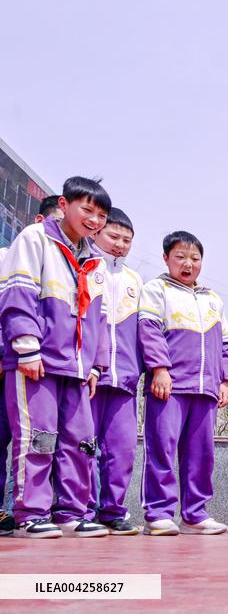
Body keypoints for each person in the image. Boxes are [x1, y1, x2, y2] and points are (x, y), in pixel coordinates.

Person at [0, 177, 112, 538]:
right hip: (39, 361)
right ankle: (31, 512)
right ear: (64, 205)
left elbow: (100, 318)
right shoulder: (36, 240)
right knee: (38, 437)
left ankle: (72, 511)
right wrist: (27, 347)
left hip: (78, 368)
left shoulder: (96, 260)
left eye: (101, 215)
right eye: (87, 210)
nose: (94, 220)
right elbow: (19, 293)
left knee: (80, 441)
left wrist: (96, 365)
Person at [139, 231, 228, 536]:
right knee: (162, 449)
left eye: (195, 258)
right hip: (170, 385)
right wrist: (160, 369)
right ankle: (158, 512)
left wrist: (224, 381)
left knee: (201, 455)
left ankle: (195, 514)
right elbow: (149, 331)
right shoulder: (156, 290)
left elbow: (226, 344)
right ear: (166, 258)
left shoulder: (212, 299)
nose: (188, 263)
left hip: (205, 388)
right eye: (180, 257)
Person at [0, 193, 65, 536]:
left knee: (40, 440)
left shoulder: (62, 263)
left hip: (34, 361)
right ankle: (12, 511)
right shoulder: (13, 253)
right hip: (17, 358)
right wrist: (21, 349)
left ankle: (33, 509)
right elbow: (15, 306)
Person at [87, 207, 143, 535]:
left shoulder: (135, 281)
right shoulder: (84, 267)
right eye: (114, 236)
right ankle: (82, 510)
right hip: (88, 378)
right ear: (96, 233)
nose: (120, 244)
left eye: (127, 240)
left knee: (121, 449)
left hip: (124, 379)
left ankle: (113, 511)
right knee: (83, 447)